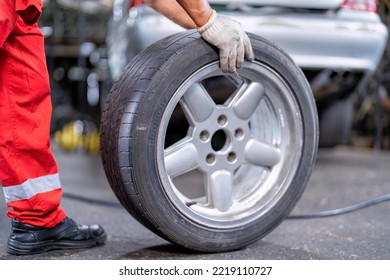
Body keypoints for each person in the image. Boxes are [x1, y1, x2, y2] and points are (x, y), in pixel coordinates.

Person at [0, 0, 253, 255]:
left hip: (22, 9)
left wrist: (206, 25)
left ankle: (36, 219)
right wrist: (207, 19)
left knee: (23, 105)